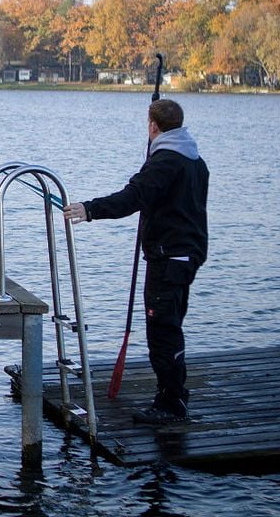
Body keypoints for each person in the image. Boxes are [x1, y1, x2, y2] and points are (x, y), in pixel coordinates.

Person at [64, 98, 209, 425]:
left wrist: (89, 210)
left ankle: (172, 403)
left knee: (162, 330)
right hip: (187, 254)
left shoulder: (165, 162)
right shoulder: (195, 160)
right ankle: (173, 395)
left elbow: (133, 197)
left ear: (153, 126)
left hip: (168, 257)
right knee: (170, 324)